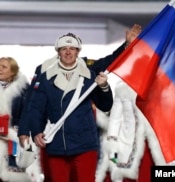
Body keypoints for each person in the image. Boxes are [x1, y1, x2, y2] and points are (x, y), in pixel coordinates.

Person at [22, 30, 127, 182]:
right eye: (64, 48)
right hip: (56, 143)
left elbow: (105, 105)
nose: (68, 52)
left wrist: (104, 87)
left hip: (85, 143)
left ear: (78, 51)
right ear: (58, 51)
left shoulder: (90, 74)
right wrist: (36, 131)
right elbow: (36, 107)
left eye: (72, 48)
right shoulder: (45, 76)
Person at [0, 57, 31, 181]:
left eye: (4, 67)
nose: (0, 69)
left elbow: (28, 113)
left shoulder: (23, 90)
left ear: (13, 71)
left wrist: (14, 133)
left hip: (14, 139)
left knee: (13, 175)